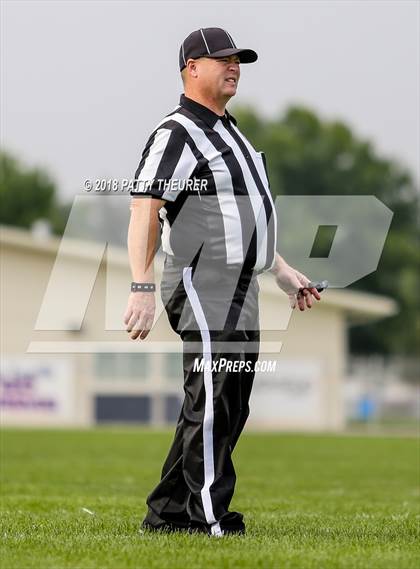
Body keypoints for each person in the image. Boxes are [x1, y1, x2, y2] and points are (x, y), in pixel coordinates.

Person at [124, 27, 321, 537]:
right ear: (191, 68)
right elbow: (145, 208)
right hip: (201, 280)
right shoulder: (177, 132)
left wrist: (281, 269)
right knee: (213, 397)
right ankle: (209, 516)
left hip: (240, 285)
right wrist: (141, 286)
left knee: (228, 401)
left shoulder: (232, 132)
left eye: (239, 61)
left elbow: (242, 217)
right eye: (223, 59)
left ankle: (167, 511)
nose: (234, 67)